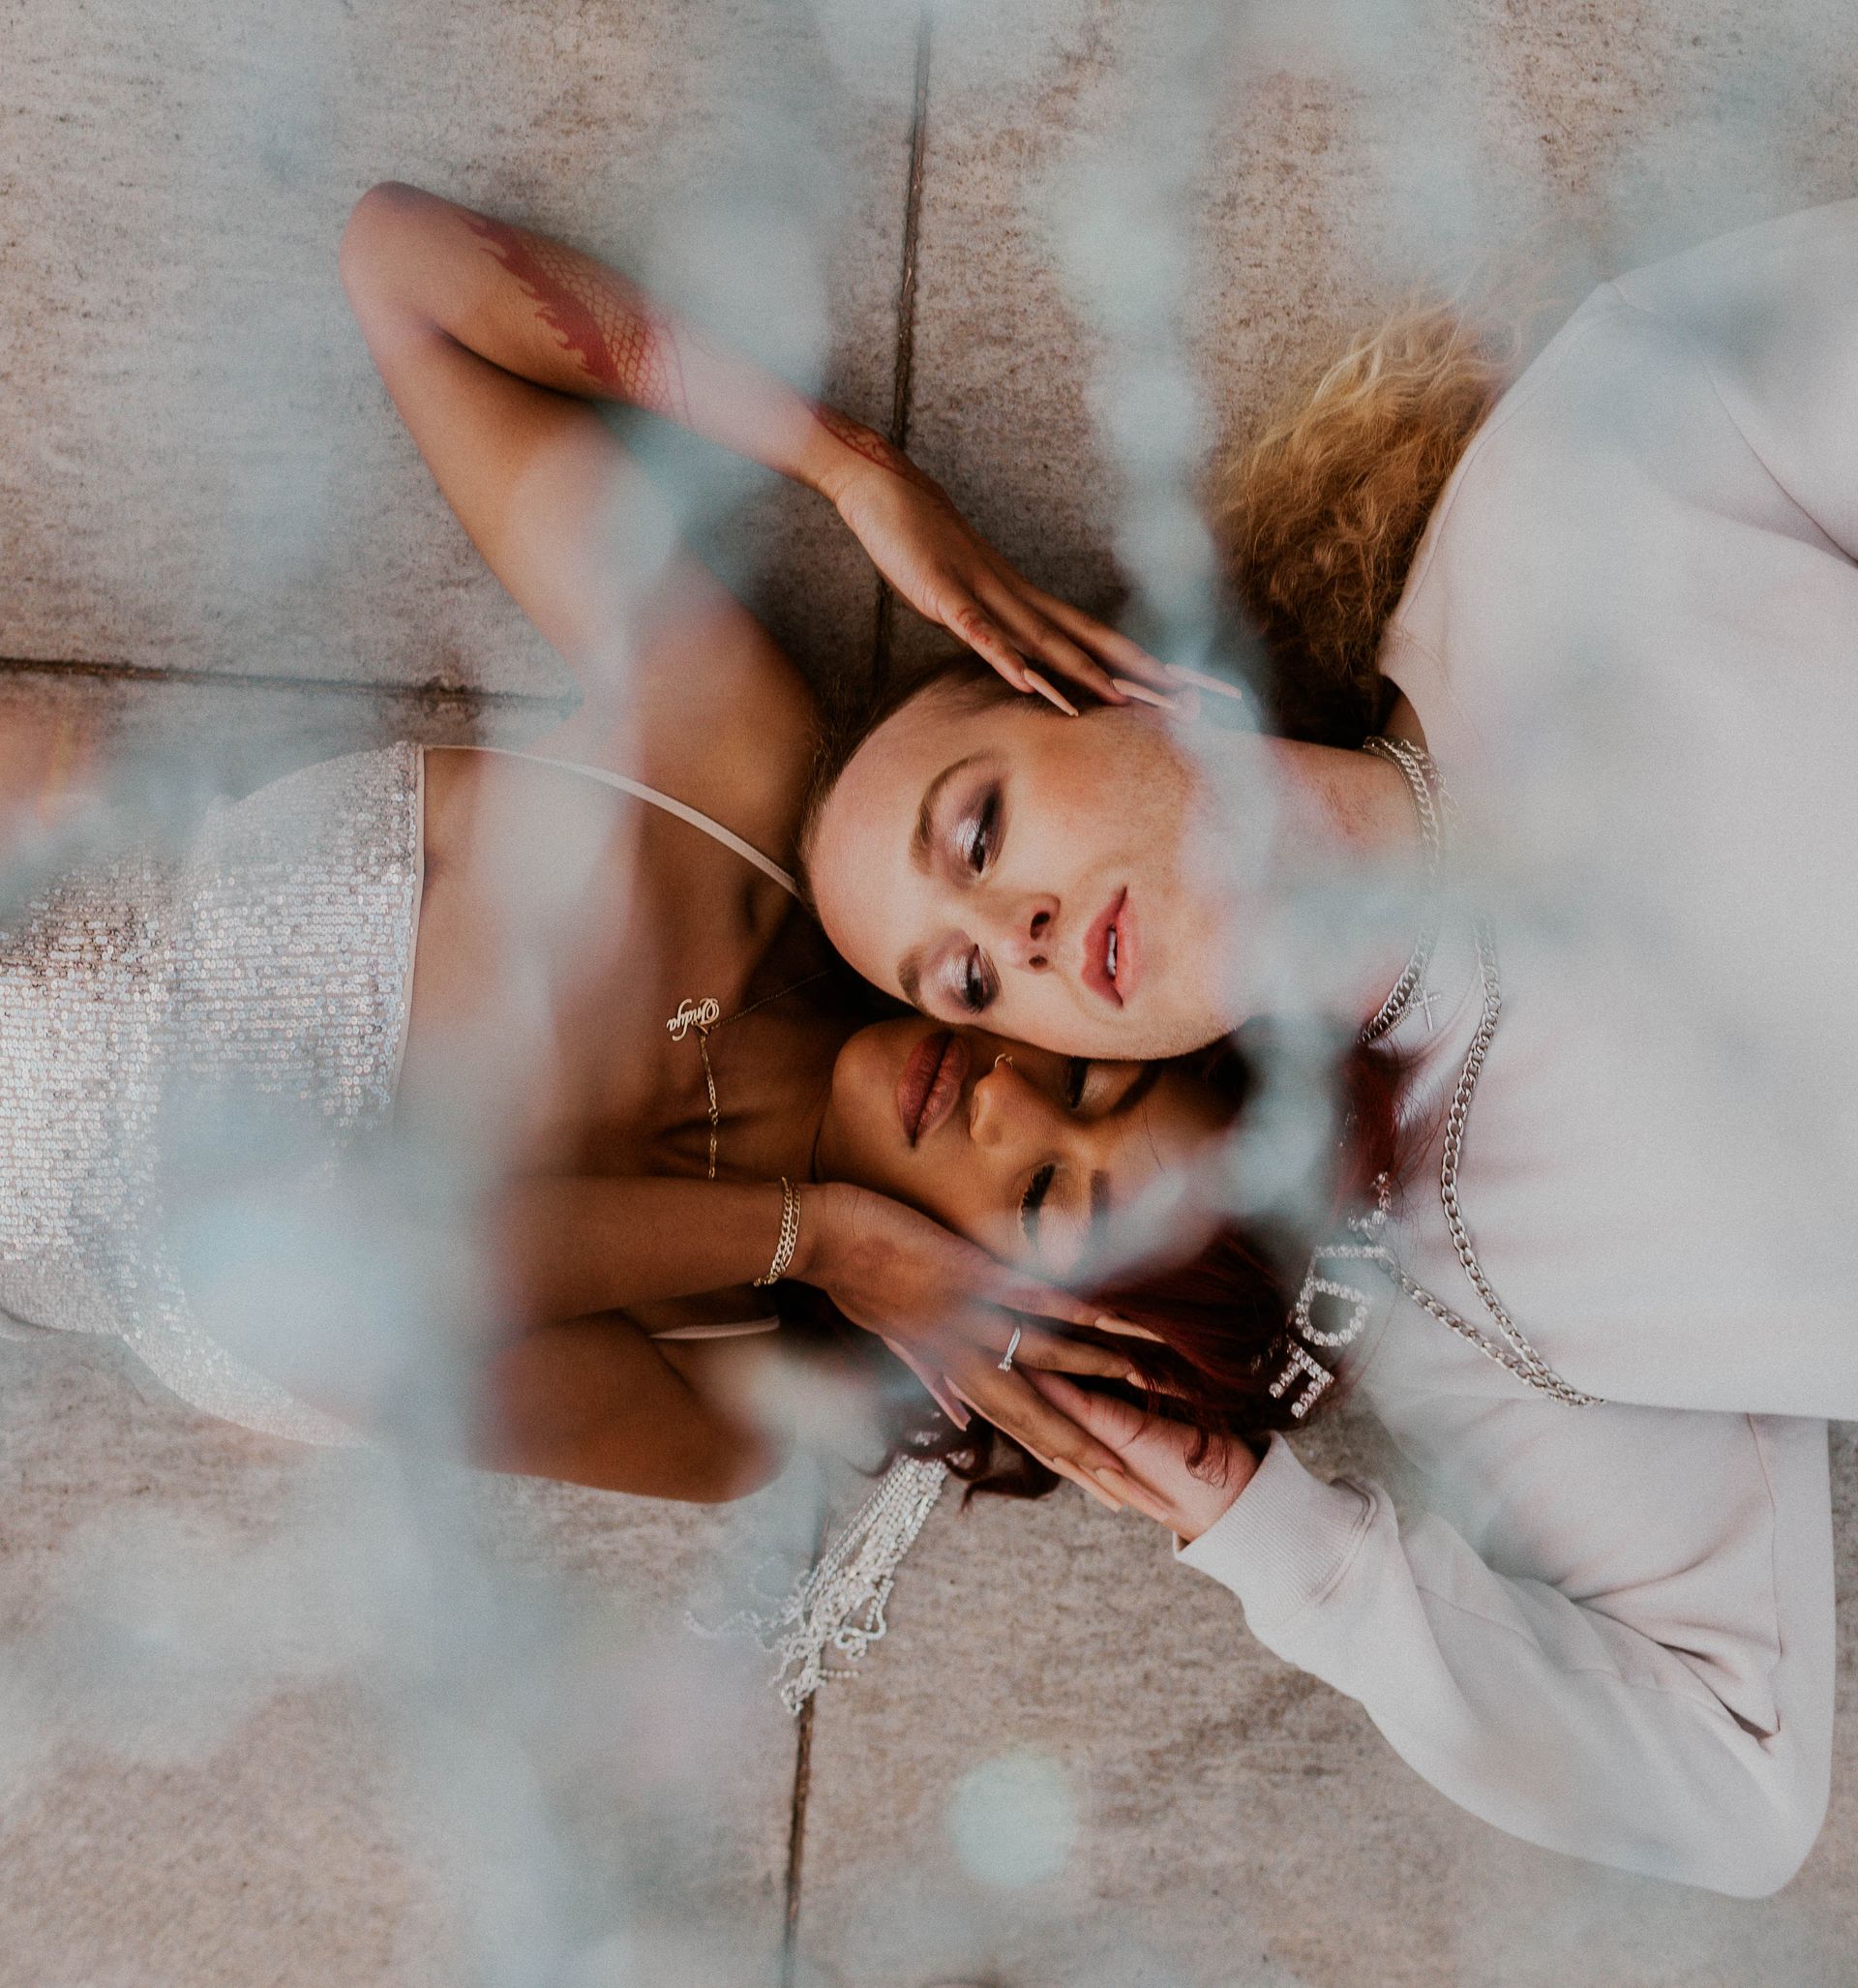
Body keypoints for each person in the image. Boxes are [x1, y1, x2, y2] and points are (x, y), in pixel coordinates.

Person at [799, 198, 1858, 1893]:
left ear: (1114, 685)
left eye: (979, 838)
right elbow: (1738, 1784)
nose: (1014, 944)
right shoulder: (1462, 1302)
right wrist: (1278, 1541)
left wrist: (833, 458)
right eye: (972, 988)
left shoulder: (1584, 478)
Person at [0, 177, 1279, 1511]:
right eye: (1081, 1082)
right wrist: (847, 467)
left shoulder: (706, 1405)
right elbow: (406, 270)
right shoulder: (721, 769)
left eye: (1041, 1200)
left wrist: (821, 1240)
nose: (1001, 1101)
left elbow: (322, 1270)